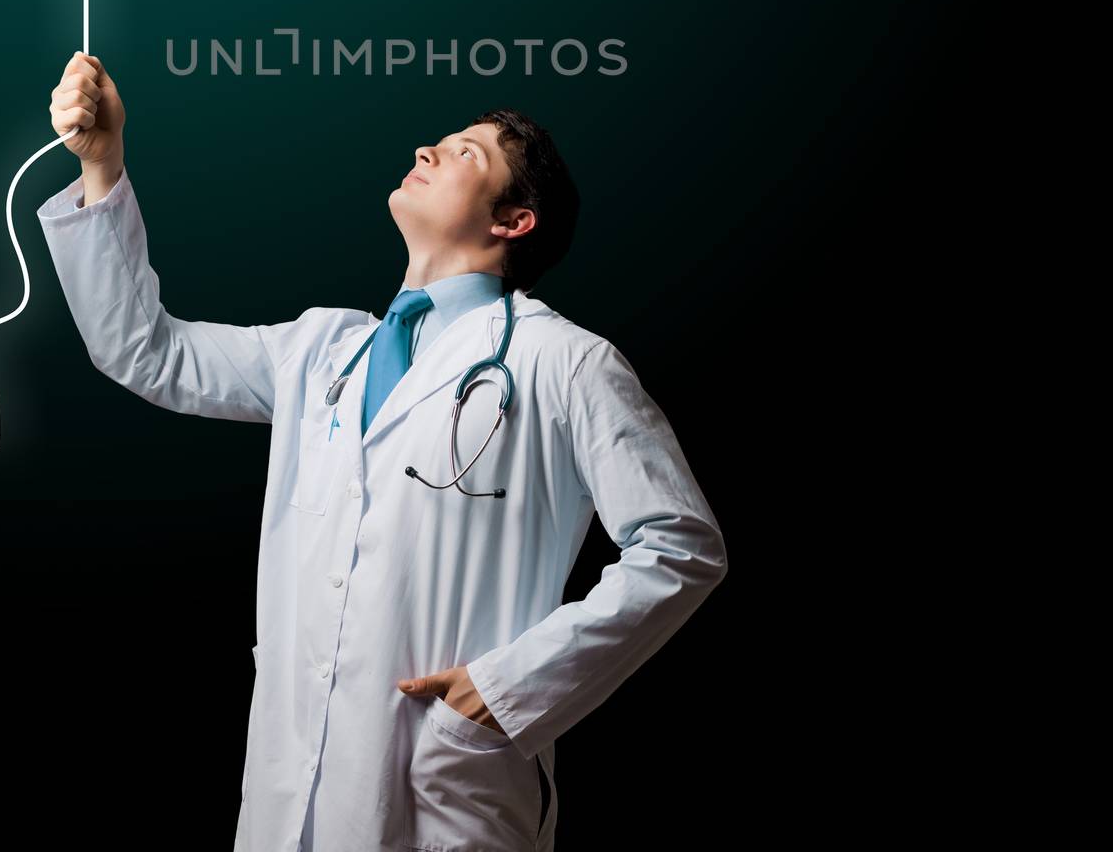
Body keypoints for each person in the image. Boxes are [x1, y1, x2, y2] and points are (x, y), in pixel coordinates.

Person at [37, 52, 728, 852]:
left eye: (467, 152)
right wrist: (103, 165)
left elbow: (680, 546)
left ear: (513, 222)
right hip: (288, 788)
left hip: (437, 790)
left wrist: (506, 691)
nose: (427, 151)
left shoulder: (563, 363)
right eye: (439, 141)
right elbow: (145, 351)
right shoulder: (324, 351)